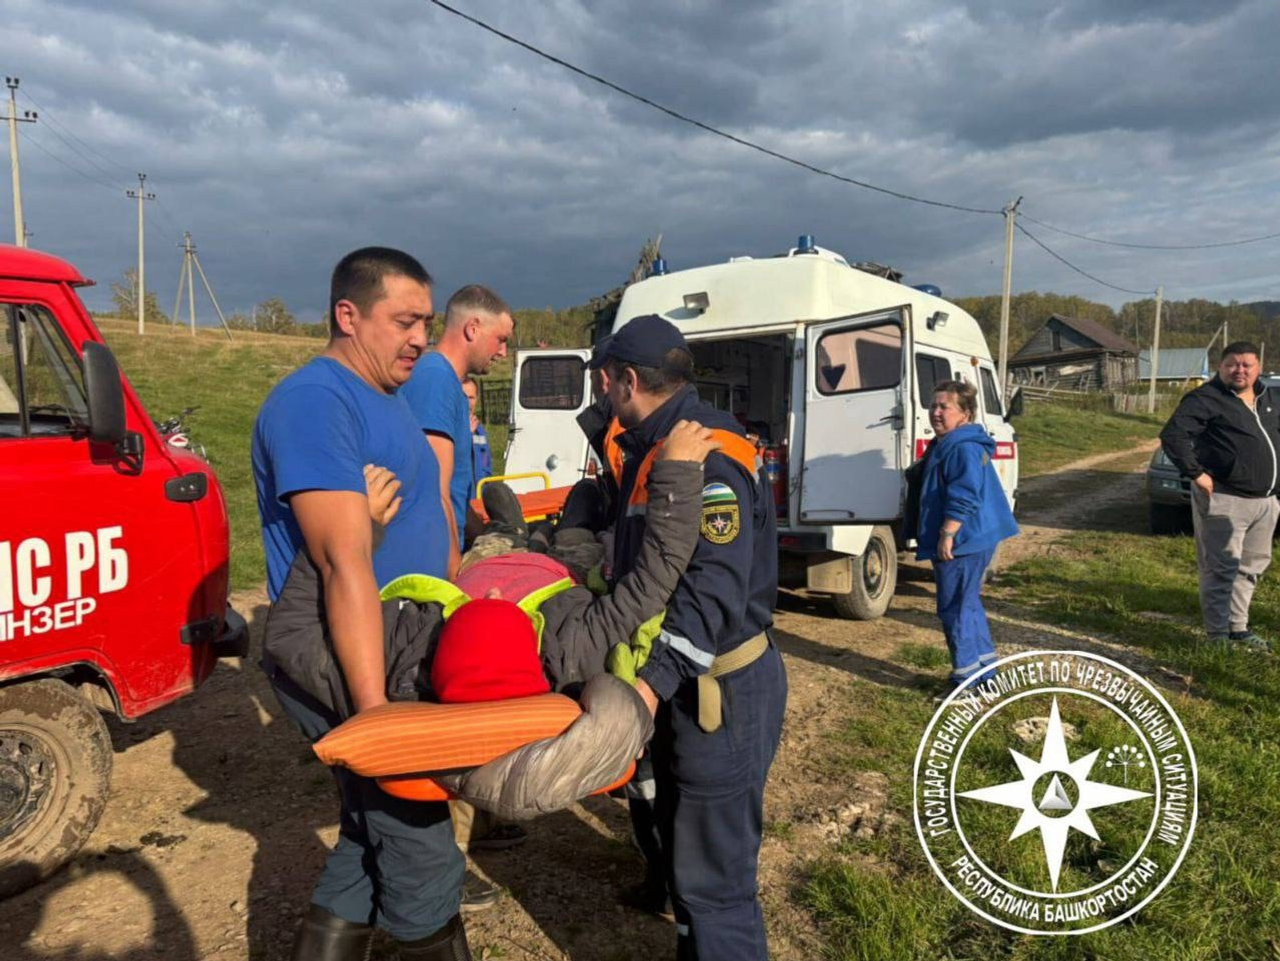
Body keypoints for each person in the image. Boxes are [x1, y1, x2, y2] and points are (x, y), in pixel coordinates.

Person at [251, 247, 470, 960]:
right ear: (348, 314)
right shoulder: (316, 400)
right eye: (404, 320)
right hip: (345, 649)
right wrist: (377, 713)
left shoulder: (388, 398)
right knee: (418, 837)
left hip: (392, 642)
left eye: (426, 322)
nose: (418, 337)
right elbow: (342, 559)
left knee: (367, 829)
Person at [591, 315, 787, 961]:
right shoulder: (655, 444)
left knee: (716, 884)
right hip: (688, 685)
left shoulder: (706, 452)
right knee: (683, 858)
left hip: (717, 690)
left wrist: (650, 687)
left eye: (605, 379)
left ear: (624, 379)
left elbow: (713, 593)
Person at [1160, 341, 1280, 651]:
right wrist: (1196, 473)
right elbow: (1173, 435)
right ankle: (1217, 636)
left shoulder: (1269, 398)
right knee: (1220, 568)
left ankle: (1238, 628)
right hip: (1225, 498)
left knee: (1251, 567)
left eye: (1247, 365)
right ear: (1221, 366)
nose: (1239, 370)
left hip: (1265, 502)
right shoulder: (1206, 398)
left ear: (1258, 368)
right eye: (1232, 364)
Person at [401, 284, 514, 575]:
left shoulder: (447, 382)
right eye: (500, 340)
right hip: (432, 561)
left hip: (445, 548)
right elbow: (434, 493)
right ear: (473, 328)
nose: (503, 352)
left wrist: (485, 534)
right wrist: (454, 580)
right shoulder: (434, 380)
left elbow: (455, 495)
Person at [915, 380, 1019, 690]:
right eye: (933, 405)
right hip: (975, 537)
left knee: (954, 608)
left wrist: (948, 533)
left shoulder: (961, 447)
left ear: (965, 413)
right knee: (967, 603)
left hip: (964, 540)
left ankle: (966, 680)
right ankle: (985, 673)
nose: (936, 412)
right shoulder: (954, 442)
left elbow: (964, 493)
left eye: (944, 407)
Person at [461, 376, 492, 496]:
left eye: (471, 397)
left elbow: (487, 466)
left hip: (480, 498)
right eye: (463, 397)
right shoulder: (449, 428)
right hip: (462, 499)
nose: (468, 403)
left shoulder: (480, 430)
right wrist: (465, 435)